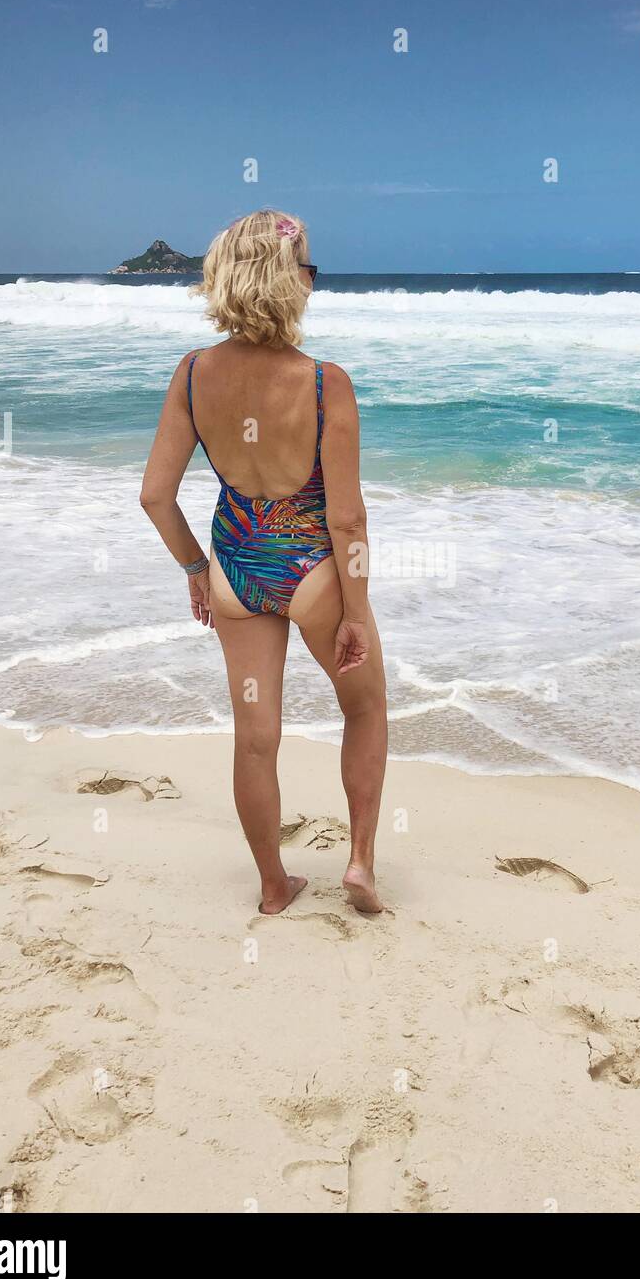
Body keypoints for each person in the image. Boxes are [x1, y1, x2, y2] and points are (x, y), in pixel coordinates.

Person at [140, 209, 387, 914]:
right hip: (313, 573)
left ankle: (274, 886)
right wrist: (357, 612)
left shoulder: (192, 374)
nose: (313, 279)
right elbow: (345, 517)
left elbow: (155, 496)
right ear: (284, 279)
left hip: (236, 572)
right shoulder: (321, 383)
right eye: (306, 266)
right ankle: (361, 865)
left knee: (256, 735)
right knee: (365, 707)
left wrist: (196, 570)